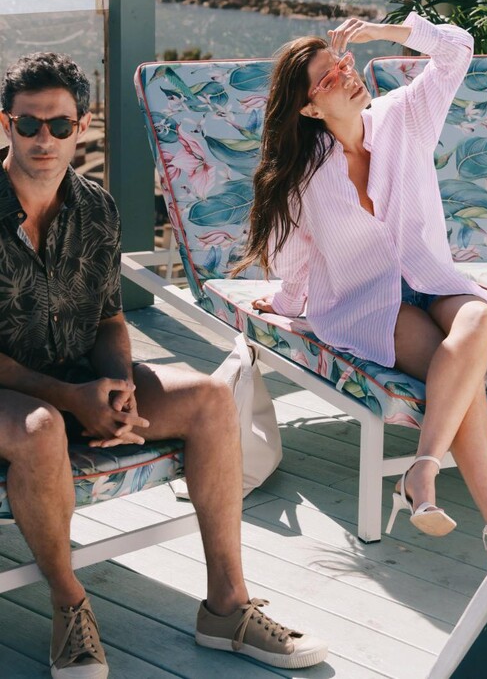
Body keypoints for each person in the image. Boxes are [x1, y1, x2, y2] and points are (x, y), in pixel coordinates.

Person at [0, 52, 327, 678]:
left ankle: (227, 606)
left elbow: (108, 319)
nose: (45, 139)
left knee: (209, 397)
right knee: (42, 428)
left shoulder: (95, 208)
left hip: (77, 376)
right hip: (12, 396)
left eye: (60, 125)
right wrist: (72, 400)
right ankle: (70, 604)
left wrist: (119, 388)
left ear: (83, 125)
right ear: (5, 123)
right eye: (29, 124)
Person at [237, 13, 487, 563]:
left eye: (344, 61)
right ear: (309, 109)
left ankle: (422, 468)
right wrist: (288, 306)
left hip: (432, 278)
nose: (347, 73)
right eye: (328, 76)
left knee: (479, 318)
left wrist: (385, 32)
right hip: (366, 302)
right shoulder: (303, 178)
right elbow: (299, 256)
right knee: (454, 373)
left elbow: (457, 50)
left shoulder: (404, 116)